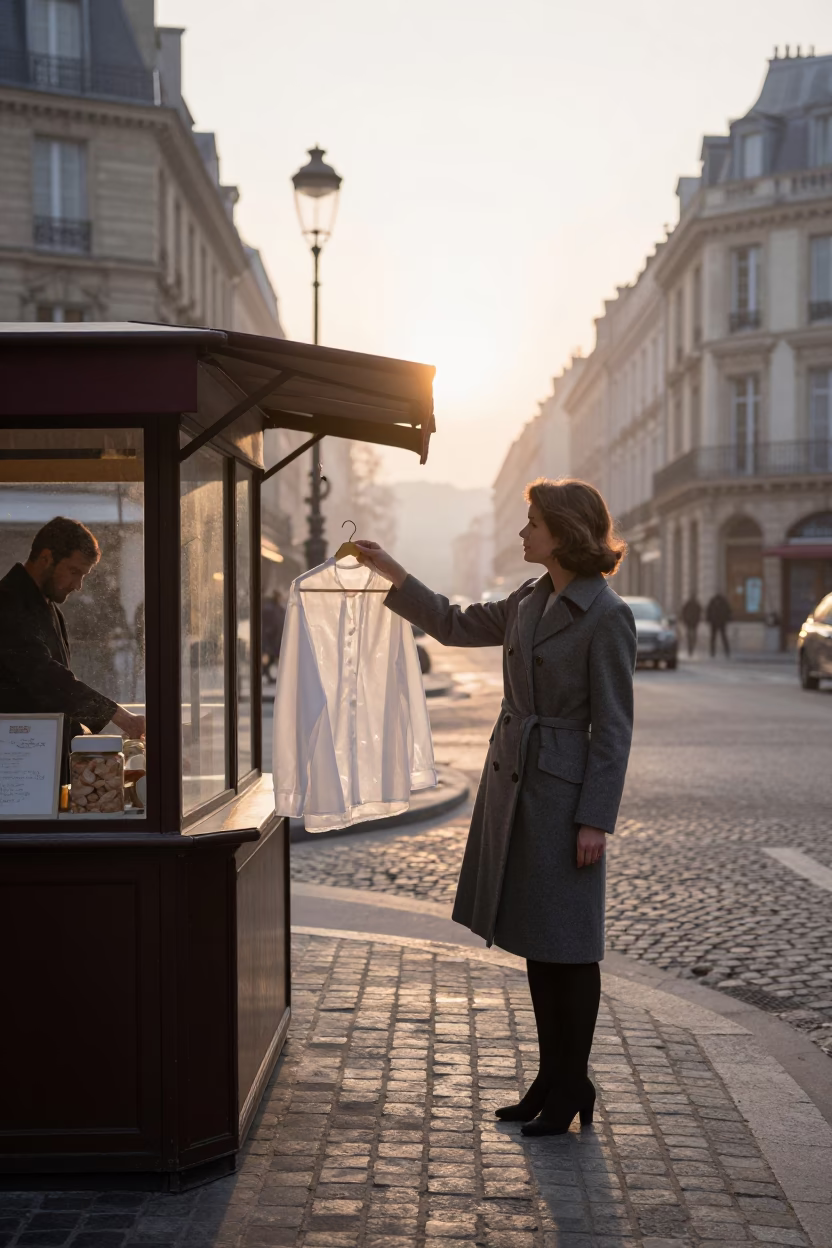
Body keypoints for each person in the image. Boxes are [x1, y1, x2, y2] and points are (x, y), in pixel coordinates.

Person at [356, 478, 636, 1136]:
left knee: (572, 946)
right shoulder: (530, 599)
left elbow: (614, 728)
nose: (522, 532)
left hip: (566, 798)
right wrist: (393, 572)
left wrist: (595, 816)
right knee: (541, 942)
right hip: (518, 788)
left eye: (533, 522)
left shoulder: (607, 615)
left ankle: (573, 1085)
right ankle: (553, 1077)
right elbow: (454, 625)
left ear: (563, 532)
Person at [0, 518, 146, 756]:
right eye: (74, 571)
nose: (78, 585)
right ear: (46, 558)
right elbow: (46, 678)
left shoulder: (47, 607)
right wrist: (120, 717)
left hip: (38, 756)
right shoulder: (6, 603)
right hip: (16, 761)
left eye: (84, 575)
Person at [262, 590, 286, 679]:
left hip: (276, 637)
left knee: (273, 658)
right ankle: (265, 673)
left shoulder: (278, 608)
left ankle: (266, 673)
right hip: (272, 638)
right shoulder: (271, 609)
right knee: (271, 657)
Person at [706, 591, 732, 658]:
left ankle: (714, 651)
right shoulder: (723, 602)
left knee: (715, 638)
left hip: (716, 622)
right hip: (719, 622)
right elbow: (728, 611)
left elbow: (708, 611)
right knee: (721, 637)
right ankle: (726, 651)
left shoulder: (713, 601)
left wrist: (708, 619)